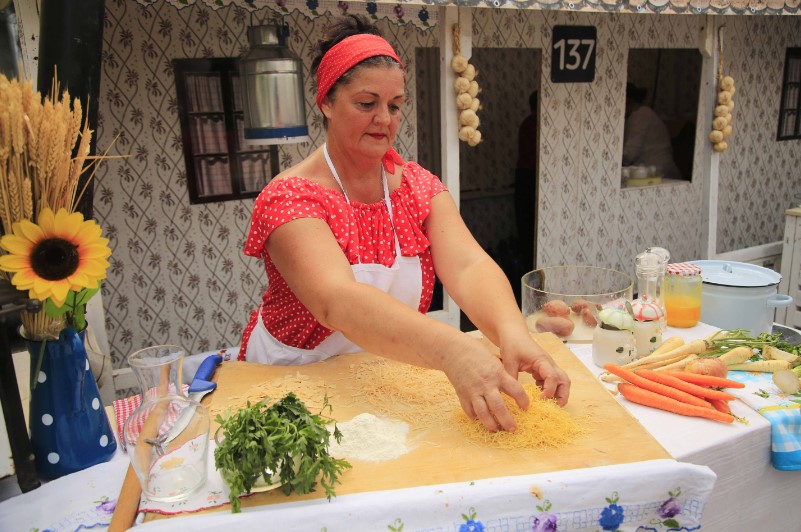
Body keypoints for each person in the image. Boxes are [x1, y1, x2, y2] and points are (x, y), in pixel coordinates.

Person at [238, 15, 570, 433]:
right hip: (291, 385)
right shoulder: (290, 197)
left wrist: (512, 333)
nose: (384, 119)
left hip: (376, 379)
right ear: (326, 101)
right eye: (366, 103)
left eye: (394, 105)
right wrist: (452, 350)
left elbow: (468, 266)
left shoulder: (416, 186)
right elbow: (336, 301)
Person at [622, 83, 680, 181]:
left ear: (626, 100)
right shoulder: (639, 115)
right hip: (653, 172)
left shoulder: (641, 115)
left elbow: (630, 153)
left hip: (661, 174)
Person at [515, 90, 538, 273]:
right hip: (529, 177)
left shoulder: (527, 123)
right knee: (528, 227)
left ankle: (527, 268)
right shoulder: (534, 124)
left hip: (524, 176)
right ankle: (529, 270)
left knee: (525, 227)